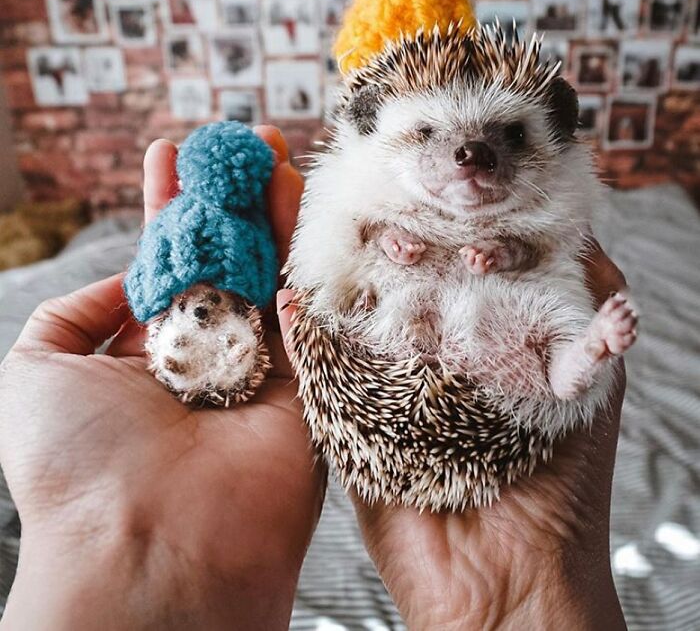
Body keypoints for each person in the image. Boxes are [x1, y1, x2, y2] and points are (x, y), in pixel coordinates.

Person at [0, 127, 627, 630]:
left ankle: (564, 365)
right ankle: (564, 365)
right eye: (427, 133)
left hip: (496, 352)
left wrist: (96, 544)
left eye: (509, 135)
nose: (469, 155)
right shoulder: (365, 199)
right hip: (402, 338)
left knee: (542, 325)